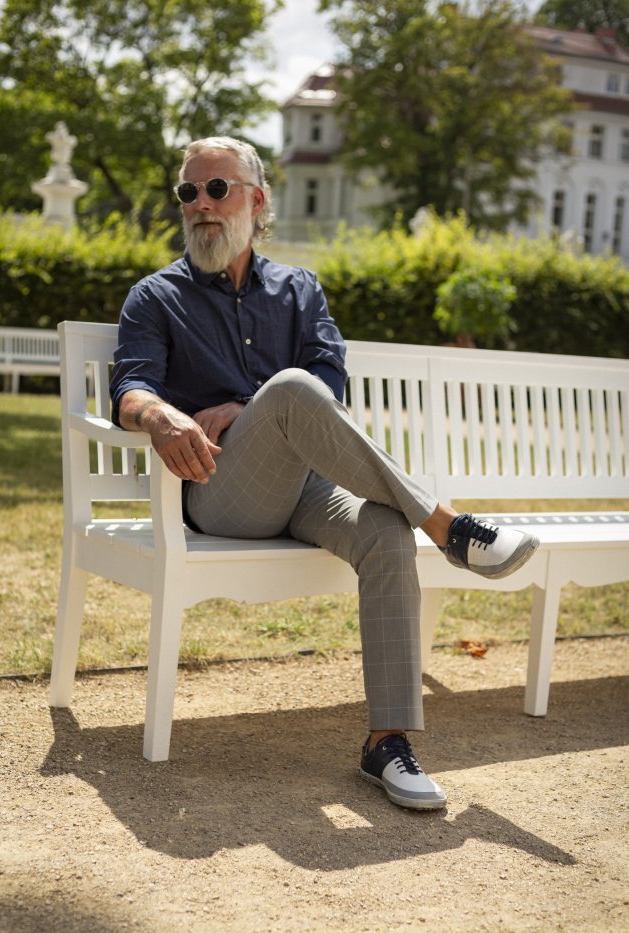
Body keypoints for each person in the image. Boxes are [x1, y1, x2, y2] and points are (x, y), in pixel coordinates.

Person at [110, 136, 539, 811]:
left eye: (215, 189)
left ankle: (386, 743)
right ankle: (450, 528)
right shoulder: (156, 297)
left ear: (256, 201)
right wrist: (160, 415)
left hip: (306, 489)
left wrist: (248, 405)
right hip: (221, 492)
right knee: (287, 389)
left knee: (386, 529)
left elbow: (328, 379)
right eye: (187, 193)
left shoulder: (298, 288)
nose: (199, 205)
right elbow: (130, 387)